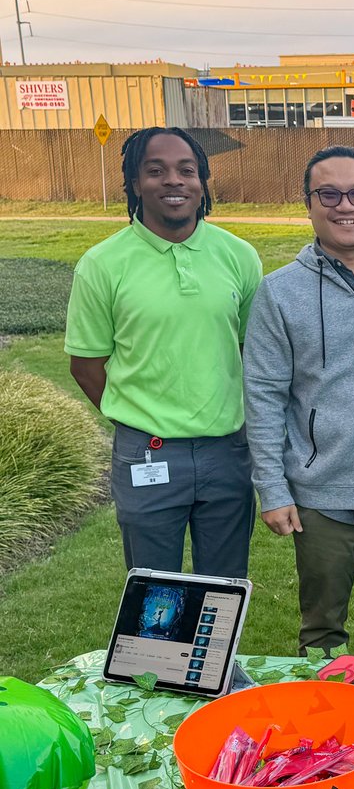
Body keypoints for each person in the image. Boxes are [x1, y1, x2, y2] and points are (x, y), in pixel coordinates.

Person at [242, 146, 354, 660]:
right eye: (329, 194)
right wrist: (273, 489)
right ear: (308, 204)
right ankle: (332, 725)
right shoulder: (280, 293)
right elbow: (262, 397)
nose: (346, 206)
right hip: (320, 499)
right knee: (323, 629)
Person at [65, 127, 262, 577]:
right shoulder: (102, 264)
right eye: (156, 171)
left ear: (201, 181)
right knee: (154, 600)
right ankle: (155, 654)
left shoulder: (239, 256)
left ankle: (216, 654)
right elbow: (86, 365)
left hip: (228, 452)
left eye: (186, 171)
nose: (173, 181)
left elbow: (253, 352)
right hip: (147, 453)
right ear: (135, 184)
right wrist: (139, 416)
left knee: (224, 591)